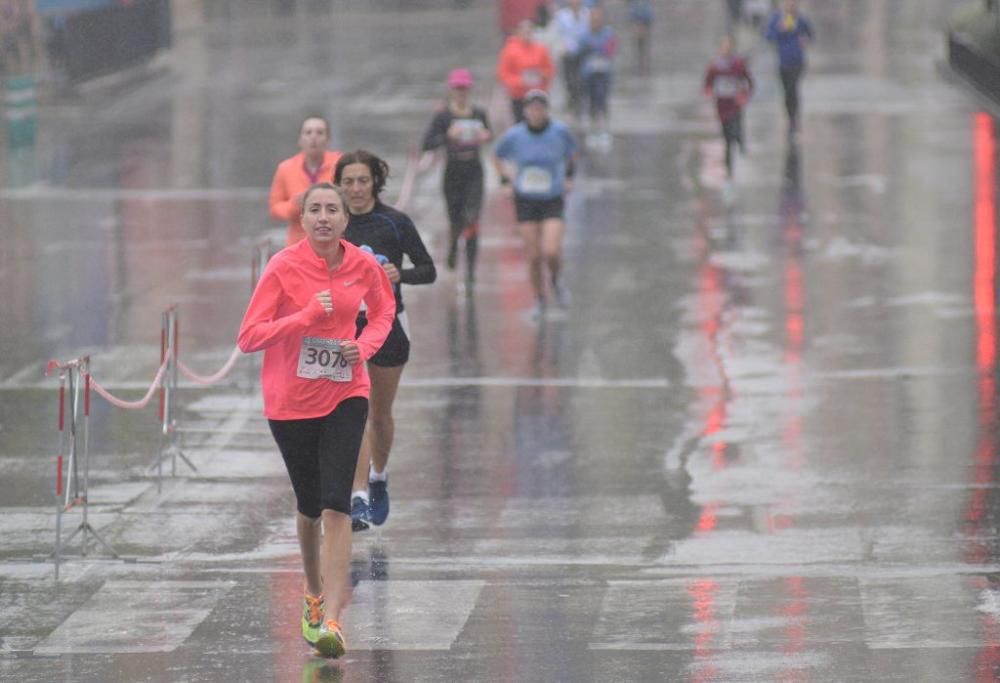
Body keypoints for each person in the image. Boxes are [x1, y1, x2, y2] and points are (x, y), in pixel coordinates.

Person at [237, 183, 395, 658]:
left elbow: (384, 311)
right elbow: (248, 337)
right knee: (308, 508)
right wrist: (302, 318)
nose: (324, 217)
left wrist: (363, 347)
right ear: (302, 220)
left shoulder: (362, 265)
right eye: (315, 210)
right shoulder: (283, 266)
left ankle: (332, 619)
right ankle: (312, 592)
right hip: (290, 402)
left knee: (336, 505)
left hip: (346, 391)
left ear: (346, 220)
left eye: (332, 210)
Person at [333, 150, 437, 532]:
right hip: (346, 329)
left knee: (378, 413)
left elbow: (429, 270)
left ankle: (378, 476)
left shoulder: (395, 222)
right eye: (348, 182)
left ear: (375, 182)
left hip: (390, 324)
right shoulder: (334, 223)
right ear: (339, 185)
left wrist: (399, 274)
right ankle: (357, 496)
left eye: (363, 181)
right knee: (354, 410)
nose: (356, 189)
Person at [493, 90, 577, 319]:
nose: (536, 113)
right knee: (533, 256)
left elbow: (573, 153)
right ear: (526, 111)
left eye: (540, 108)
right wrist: (505, 180)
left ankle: (556, 280)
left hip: (552, 198)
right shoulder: (515, 135)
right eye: (532, 109)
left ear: (546, 110)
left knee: (550, 250)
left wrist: (569, 177)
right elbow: (496, 155)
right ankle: (539, 298)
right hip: (526, 200)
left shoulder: (559, 131)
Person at [420, 68, 493, 284]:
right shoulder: (443, 116)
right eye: (458, 88)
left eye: (464, 88)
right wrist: (447, 136)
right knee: (456, 219)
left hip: (474, 172)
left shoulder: (479, 113)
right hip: (452, 173)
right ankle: (453, 243)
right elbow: (427, 144)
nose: (461, 92)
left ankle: (470, 270)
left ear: (469, 90)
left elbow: (489, 135)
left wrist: (485, 136)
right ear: (451, 90)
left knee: (473, 219)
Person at [269, 116, 342, 246]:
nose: (314, 137)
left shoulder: (340, 164)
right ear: (300, 139)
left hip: (334, 241)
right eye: (308, 132)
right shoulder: (285, 168)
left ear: (328, 139)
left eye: (320, 132)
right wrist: (294, 205)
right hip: (298, 243)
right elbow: (275, 208)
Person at [704, 35, 754, 182]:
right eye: (723, 47)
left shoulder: (738, 64)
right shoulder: (714, 66)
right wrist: (708, 92)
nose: (725, 50)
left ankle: (740, 141)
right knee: (726, 139)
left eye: (728, 47)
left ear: (732, 48)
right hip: (722, 105)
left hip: (735, 104)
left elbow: (749, 82)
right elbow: (707, 83)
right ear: (719, 49)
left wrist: (744, 95)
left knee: (735, 129)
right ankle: (728, 169)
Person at [765, 0, 813, 140]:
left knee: (793, 88)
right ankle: (790, 117)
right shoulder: (777, 19)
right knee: (787, 91)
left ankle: (794, 121)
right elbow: (768, 36)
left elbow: (810, 35)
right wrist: (780, 30)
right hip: (783, 61)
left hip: (798, 61)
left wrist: (805, 40)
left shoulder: (801, 19)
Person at [497, 18, 555, 124]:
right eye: (524, 31)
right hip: (519, 95)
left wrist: (542, 75)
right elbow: (504, 74)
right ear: (518, 32)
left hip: (538, 93)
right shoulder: (509, 50)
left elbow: (549, 69)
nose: (527, 34)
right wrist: (520, 81)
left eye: (529, 31)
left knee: (540, 122)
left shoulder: (541, 49)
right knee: (520, 123)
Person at [578, 5, 617, 147]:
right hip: (589, 71)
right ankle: (592, 122)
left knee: (602, 96)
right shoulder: (584, 33)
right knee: (590, 97)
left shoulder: (608, 33)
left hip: (604, 70)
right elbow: (580, 49)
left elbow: (611, 49)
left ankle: (602, 122)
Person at [554, 0, 590, 124]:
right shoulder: (562, 15)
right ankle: (571, 100)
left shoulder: (586, 14)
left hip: (582, 52)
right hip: (567, 52)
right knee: (569, 79)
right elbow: (559, 34)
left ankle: (578, 103)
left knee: (580, 79)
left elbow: (587, 32)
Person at [627, 0, 654, 75]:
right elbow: (632, 13)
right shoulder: (635, 4)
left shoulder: (646, 3)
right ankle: (639, 65)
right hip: (637, 25)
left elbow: (649, 14)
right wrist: (635, 25)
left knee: (644, 47)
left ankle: (645, 64)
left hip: (644, 25)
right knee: (638, 47)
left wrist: (645, 25)